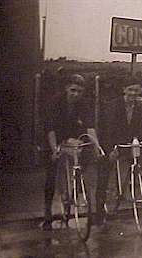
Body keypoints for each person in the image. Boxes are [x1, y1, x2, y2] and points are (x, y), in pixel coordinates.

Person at [42, 74, 102, 230]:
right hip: (54, 137)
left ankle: (77, 192)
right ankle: (47, 212)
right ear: (66, 88)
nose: (76, 94)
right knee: (51, 174)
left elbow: (89, 127)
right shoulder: (55, 102)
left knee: (85, 159)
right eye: (73, 90)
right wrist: (54, 149)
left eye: (80, 91)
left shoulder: (83, 104)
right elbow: (50, 128)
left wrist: (97, 146)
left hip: (74, 138)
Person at [95, 82, 142, 225]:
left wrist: (138, 140)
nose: (133, 93)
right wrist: (110, 149)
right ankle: (99, 212)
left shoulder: (140, 107)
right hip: (111, 145)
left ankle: (116, 207)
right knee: (104, 179)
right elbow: (106, 128)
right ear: (124, 89)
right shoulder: (113, 106)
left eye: (136, 90)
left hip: (128, 146)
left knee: (126, 176)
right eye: (130, 89)